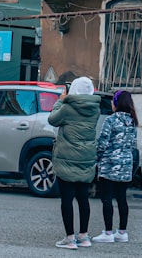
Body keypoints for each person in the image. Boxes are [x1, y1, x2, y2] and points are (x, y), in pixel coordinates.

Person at [48, 76, 101, 250]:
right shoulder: (95, 109)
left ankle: (70, 238)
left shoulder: (67, 108)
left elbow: (52, 120)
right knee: (83, 198)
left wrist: (60, 100)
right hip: (85, 158)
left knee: (67, 198)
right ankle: (84, 236)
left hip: (67, 158)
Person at [92, 90, 138, 244]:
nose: (111, 103)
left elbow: (102, 143)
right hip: (125, 166)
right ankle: (122, 232)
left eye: (113, 101)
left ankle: (108, 232)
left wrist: (97, 159)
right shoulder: (133, 121)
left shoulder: (111, 120)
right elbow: (132, 144)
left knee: (106, 199)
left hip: (109, 165)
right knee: (122, 199)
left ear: (117, 103)